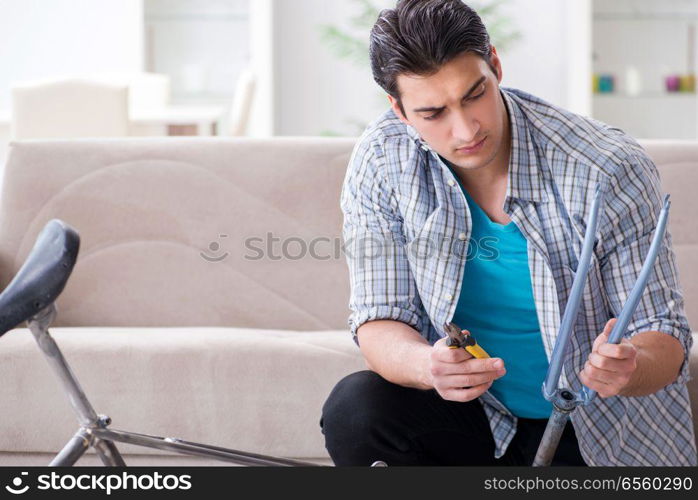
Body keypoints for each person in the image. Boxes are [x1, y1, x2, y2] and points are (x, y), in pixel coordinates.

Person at [320, 0, 696, 466]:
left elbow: (664, 334)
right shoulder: (382, 160)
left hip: (597, 427)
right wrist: (428, 366)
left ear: (495, 65)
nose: (465, 129)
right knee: (357, 409)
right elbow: (379, 317)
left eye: (474, 94)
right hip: (475, 417)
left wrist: (632, 363)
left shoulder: (606, 166)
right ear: (399, 110)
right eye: (434, 113)